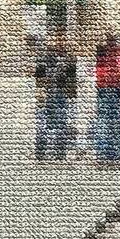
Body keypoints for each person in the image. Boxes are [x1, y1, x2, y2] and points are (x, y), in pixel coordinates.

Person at [34, 24, 76, 161]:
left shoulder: (70, 57)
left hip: (62, 93)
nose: (60, 41)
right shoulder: (44, 55)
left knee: (61, 122)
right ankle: (41, 152)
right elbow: (39, 75)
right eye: (57, 37)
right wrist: (40, 90)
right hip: (47, 92)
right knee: (42, 122)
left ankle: (60, 152)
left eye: (63, 38)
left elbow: (72, 77)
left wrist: (72, 94)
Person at [93, 34, 120, 162]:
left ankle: (111, 153)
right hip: (109, 90)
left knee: (113, 122)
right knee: (109, 122)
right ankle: (108, 153)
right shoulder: (104, 55)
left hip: (116, 90)